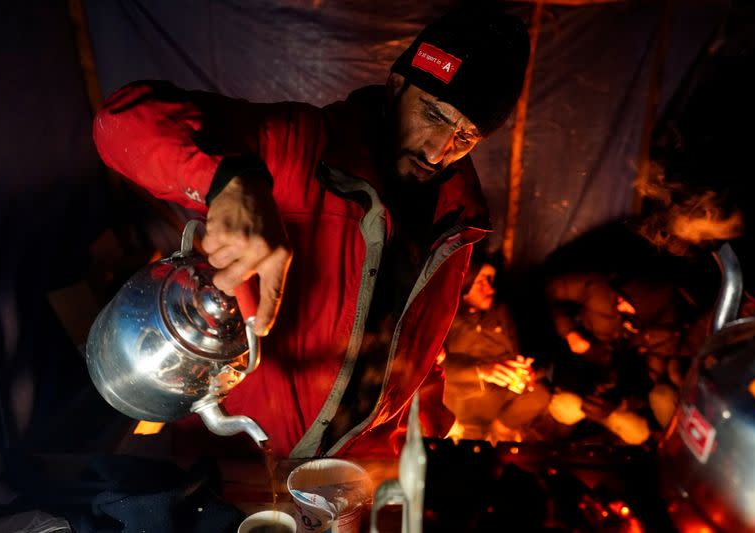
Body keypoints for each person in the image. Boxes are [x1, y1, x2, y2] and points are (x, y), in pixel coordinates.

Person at [92, 3, 530, 458]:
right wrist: (228, 181)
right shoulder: (296, 146)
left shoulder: (456, 226)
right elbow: (122, 121)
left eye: (466, 136)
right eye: (436, 115)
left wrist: (425, 445)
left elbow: (417, 353)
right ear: (397, 86)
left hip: (353, 483)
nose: (439, 152)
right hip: (242, 469)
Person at [441, 255, 552, 442]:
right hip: (461, 397)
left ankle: (500, 428)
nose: (490, 289)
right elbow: (433, 369)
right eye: (481, 283)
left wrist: (525, 371)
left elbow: (516, 354)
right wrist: (481, 371)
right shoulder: (446, 316)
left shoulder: (501, 312)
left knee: (541, 394)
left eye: (491, 281)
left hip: (500, 398)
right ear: (465, 282)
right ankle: (468, 433)